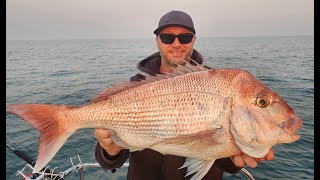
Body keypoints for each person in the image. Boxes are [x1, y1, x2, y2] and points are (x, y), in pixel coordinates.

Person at [94, 10, 274, 180]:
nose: (176, 44)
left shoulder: (218, 85)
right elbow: (111, 160)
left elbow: (226, 162)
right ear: (157, 40)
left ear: (194, 39)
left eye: (185, 37)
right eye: (167, 37)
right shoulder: (134, 89)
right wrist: (109, 151)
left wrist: (235, 153)